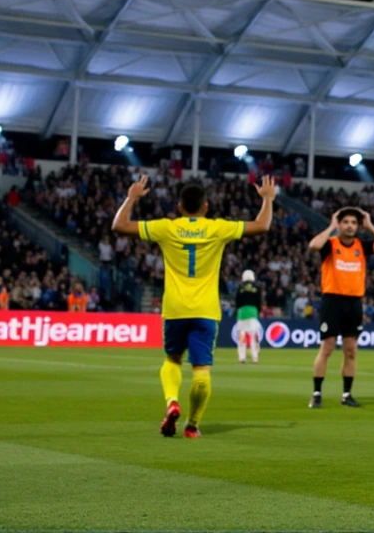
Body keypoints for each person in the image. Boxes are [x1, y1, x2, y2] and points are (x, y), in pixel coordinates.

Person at [112, 174, 277, 438]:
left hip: (175, 308)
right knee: (201, 369)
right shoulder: (218, 228)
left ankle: (171, 402)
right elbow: (262, 225)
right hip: (206, 310)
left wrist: (131, 197)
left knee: (172, 359)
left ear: (178, 207)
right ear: (206, 206)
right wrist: (267, 198)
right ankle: (192, 426)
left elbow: (119, 226)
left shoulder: (166, 227)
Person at [306, 207, 374, 408]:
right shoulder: (330, 244)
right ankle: (317, 393)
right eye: (346, 222)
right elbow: (313, 246)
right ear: (340, 224)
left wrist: (370, 225)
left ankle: (346, 394)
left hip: (354, 302)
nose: (350, 226)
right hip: (332, 301)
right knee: (327, 348)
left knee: (351, 350)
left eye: (354, 223)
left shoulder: (361, 246)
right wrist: (331, 226)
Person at [232, 270, 265, 364]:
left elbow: (237, 300)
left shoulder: (240, 287)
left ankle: (242, 357)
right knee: (253, 335)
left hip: (242, 312)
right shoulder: (256, 287)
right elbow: (259, 300)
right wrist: (259, 310)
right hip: (253, 312)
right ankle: (255, 357)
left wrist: (238, 309)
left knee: (242, 335)